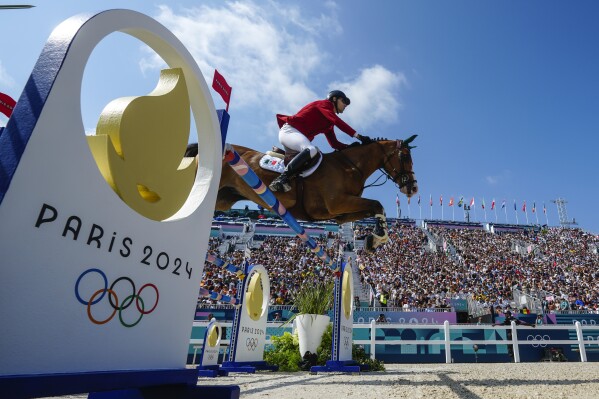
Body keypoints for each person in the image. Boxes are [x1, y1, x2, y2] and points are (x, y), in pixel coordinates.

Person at [269, 90, 373, 192]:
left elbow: (334, 144)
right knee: (311, 149)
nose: (345, 105)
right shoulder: (324, 104)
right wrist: (358, 136)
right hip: (289, 131)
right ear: (334, 99)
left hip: (296, 136)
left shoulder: (329, 124)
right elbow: (337, 121)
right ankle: (281, 179)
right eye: (344, 101)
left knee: (313, 157)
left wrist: (350, 147)